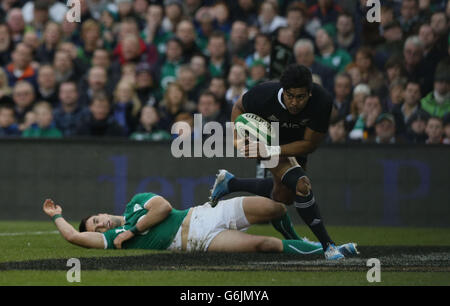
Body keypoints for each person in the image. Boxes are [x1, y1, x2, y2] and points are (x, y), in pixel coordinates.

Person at [211, 64, 345, 260]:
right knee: (302, 185)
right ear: (283, 90)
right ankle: (329, 246)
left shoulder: (322, 101)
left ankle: (231, 183)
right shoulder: (264, 94)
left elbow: (309, 144)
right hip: (266, 138)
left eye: (300, 97)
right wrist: (237, 139)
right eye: (290, 95)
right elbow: (238, 107)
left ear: (309, 93)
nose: (294, 102)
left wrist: (274, 149)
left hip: (293, 145)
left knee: (285, 196)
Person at [42, 191, 358, 257]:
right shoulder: (112, 241)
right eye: (96, 227)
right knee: (264, 245)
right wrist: (57, 215)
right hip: (198, 242)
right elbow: (72, 237)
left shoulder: (134, 204)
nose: (100, 224)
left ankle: (308, 240)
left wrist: (134, 229)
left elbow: (164, 207)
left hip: (205, 214)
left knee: (275, 207)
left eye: (97, 219)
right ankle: (329, 249)